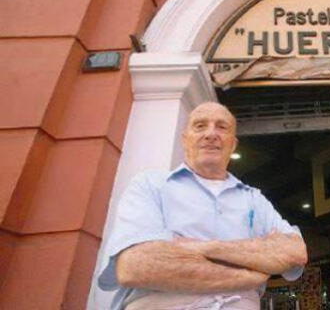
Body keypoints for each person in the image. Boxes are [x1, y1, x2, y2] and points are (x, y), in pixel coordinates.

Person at [97, 102, 308, 309]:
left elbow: (295, 252)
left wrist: (203, 248)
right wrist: (251, 273)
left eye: (221, 127)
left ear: (233, 144)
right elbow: (136, 267)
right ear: (185, 139)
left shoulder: (254, 198)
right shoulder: (150, 184)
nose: (210, 134)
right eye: (200, 126)